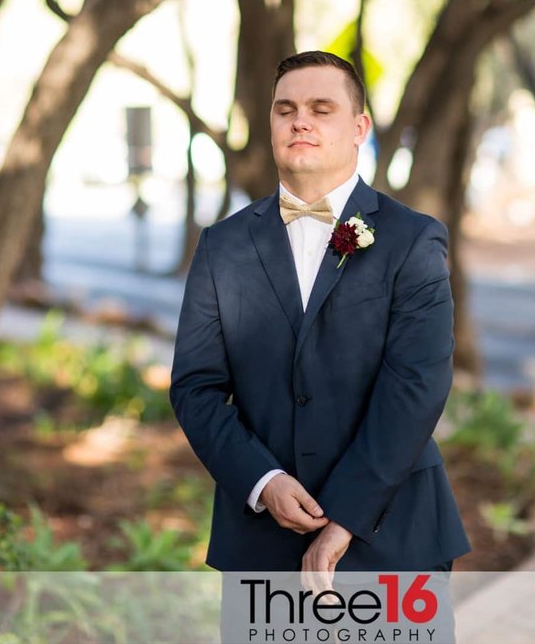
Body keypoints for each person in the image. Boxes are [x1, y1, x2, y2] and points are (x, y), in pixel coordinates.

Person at [169, 51, 469, 637]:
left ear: (359, 129)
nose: (299, 121)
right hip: (262, 541)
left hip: (391, 533)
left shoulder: (413, 240)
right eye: (286, 110)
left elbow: (416, 385)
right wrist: (263, 482)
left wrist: (345, 519)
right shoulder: (222, 247)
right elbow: (196, 386)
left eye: (320, 109)